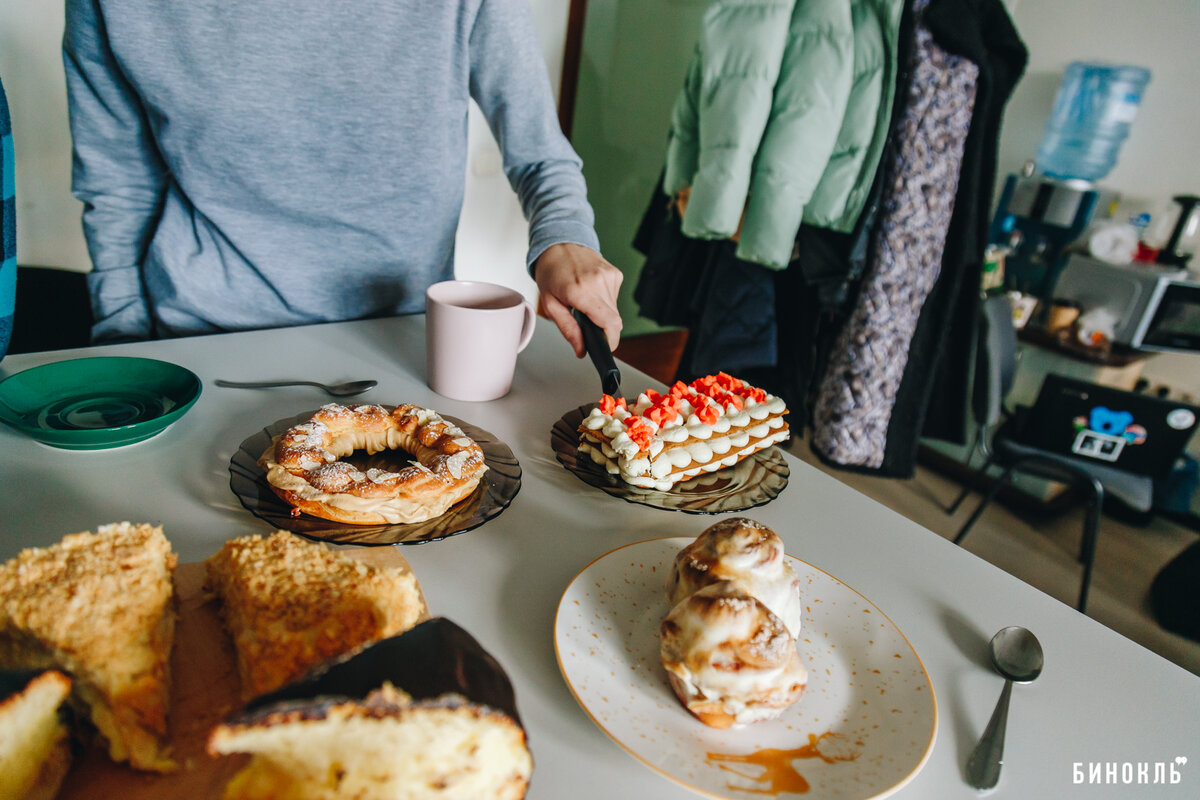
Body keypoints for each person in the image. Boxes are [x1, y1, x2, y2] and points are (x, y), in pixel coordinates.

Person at [62, 0, 622, 358]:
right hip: (200, 338)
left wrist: (564, 240)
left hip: (396, 340)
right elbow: (118, 183)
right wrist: (123, 341)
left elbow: (539, 155)